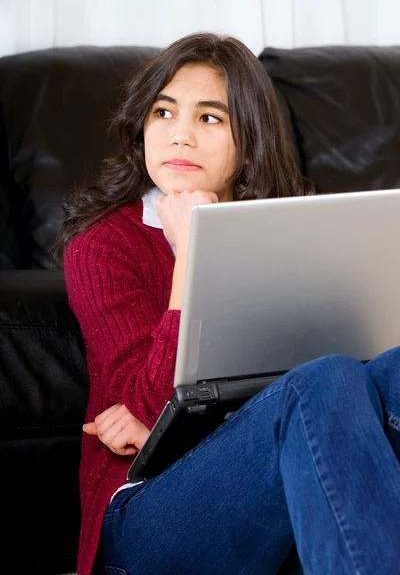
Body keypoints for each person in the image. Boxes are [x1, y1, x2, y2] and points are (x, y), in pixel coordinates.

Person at [54, 33, 400, 575]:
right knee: (325, 379)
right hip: (143, 510)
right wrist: (193, 254)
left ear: (250, 140)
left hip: (260, 474)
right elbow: (137, 419)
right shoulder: (102, 245)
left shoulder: (288, 232)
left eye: (210, 119)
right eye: (163, 113)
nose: (180, 137)